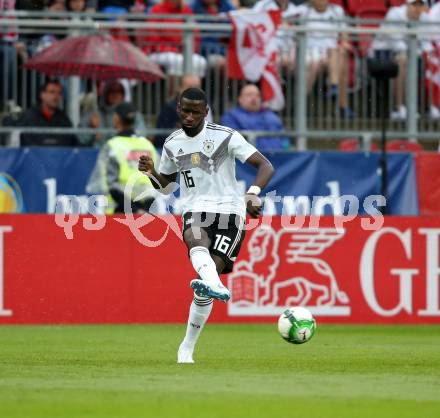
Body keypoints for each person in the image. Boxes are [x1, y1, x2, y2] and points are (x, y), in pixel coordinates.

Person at [138, 87, 274, 363]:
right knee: (194, 238)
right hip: (195, 210)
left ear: (205, 112)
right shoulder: (172, 144)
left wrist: (253, 194)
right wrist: (152, 172)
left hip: (230, 214)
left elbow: (265, 166)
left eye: (195, 112)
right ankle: (212, 291)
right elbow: (166, 188)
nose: (189, 116)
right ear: (178, 108)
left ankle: (188, 343)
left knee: (205, 282)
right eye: (185, 110)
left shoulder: (225, 137)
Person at [88, 102, 158, 214]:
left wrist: (135, 210)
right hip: (145, 212)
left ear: (116, 119)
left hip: (119, 213)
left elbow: (107, 185)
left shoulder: (112, 146)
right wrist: (144, 211)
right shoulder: (148, 146)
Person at [370, 0, 434, 120]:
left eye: (420, 5)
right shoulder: (394, 13)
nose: (417, 8)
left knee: (432, 61)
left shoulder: (425, 18)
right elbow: (396, 43)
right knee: (403, 60)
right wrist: (418, 53)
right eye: (414, 5)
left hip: (411, 53)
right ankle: (399, 107)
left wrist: (430, 55)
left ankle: (432, 106)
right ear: (407, 5)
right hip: (382, 53)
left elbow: (426, 43)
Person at [220, 83, 290, 151]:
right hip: (250, 160)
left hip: (278, 158)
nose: (254, 98)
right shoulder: (231, 116)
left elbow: (284, 140)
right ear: (240, 99)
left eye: (257, 95)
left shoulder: (271, 116)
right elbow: (233, 142)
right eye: (249, 95)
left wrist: (284, 150)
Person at [79, 80, 146, 146]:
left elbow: (142, 134)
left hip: (125, 151)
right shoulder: (94, 114)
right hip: (97, 152)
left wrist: (126, 133)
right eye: (112, 91)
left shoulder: (133, 114)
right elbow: (81, 139)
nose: (115, 94)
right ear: (106, 94)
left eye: (119, 91)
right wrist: (93, 131)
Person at [155, 74, 213, 148]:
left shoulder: (205, 107)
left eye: (197, 87)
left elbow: (208, 133)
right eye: (189, 87)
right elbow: (161, 138)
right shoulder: (169, 108)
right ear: (179, 88)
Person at [18, 79, 78, 146]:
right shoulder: (29, 117)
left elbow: (73, 142)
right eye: (52, 92)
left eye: (59, 93)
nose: (56, 96)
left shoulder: (64, 119)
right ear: (42, 95)